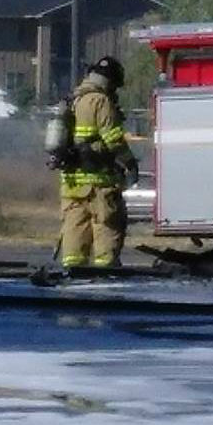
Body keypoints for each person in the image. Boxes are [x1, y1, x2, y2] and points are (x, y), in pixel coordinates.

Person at [53, 56, 139, 273]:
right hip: (99, 183)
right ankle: (106, 272)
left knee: (74, 227)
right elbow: (113, 139)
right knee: (107, 226)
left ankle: (73, 270)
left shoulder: (74, 99)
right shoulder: (100, 101)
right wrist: (130, 163)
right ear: (110, 81)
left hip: (72, 182)